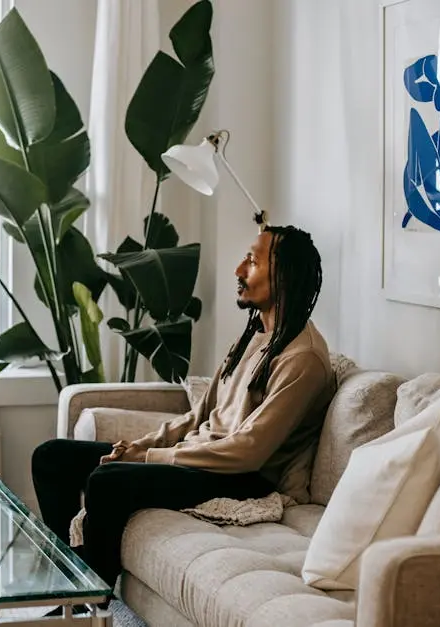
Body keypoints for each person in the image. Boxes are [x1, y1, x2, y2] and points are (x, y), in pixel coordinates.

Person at [32, 225, 334, 597]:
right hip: (201, 457)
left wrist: (150, 457)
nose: (239, 270)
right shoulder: (255, 336)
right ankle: (68, 584)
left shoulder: (303, 358)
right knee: (51, 457)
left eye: (252, 261)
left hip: (241, 476)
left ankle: (92, 604)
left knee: (106, 481)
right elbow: (199, 416)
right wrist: (137, 446)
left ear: (284, 276)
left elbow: (249, 450)